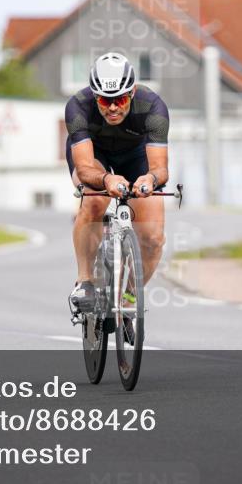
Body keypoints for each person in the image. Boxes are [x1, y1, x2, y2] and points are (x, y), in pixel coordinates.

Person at [65, 52, 169, 315]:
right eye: (105, 100)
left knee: (153, 237)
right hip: (94, 155)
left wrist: (150, 180)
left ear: (132, 92)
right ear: (94, 95)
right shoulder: (78, 106)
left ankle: (130, 296)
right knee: (95, 200)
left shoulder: (153, 106)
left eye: (120, 99)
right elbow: (85, 167)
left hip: (137, 156)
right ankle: (85, 282)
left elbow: (160, 168)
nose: (113, 107)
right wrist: (106, 179)